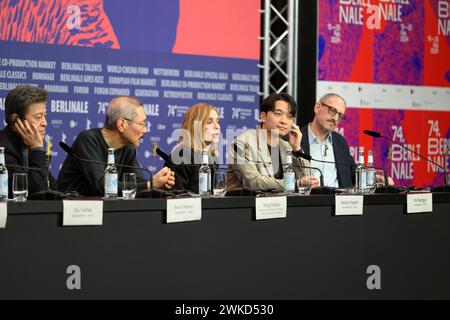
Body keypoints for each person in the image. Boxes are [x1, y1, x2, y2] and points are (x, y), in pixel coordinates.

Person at [57, 96, 175, 196]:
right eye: (142, 124)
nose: (145, 130)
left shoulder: (127, 147)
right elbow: (103, 186)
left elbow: (137, 183)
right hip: (73, 212)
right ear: (122, 124)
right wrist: (150, 184)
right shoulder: (88, 140)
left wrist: (159, 184)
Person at [227, 92, 319, 192]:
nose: (284, 121)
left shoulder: (287, 147)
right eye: (278, 114)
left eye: (289, 117)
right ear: (263, 116)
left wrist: (297, 149)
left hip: (282, 205)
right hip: (248, 205)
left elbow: (308, 181)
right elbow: (253, 182)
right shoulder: (242, 143)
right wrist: (293, 184)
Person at [300, 93, 393, 188]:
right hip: (309, 201)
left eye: (340, 115)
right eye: (332, 110)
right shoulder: (295, 140)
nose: (335, 118)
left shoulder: (340, 141)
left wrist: (374, 178)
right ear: (317, 107)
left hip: (339, 200)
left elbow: (351, 174)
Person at [0, 85, 57, 197]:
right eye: (38, 116)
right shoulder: (2, 148)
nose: (44, 123)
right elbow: (35, 192)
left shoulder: (28, 143)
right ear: (16, 119)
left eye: (44, 116)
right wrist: (37, 149)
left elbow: (52, 188)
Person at [165, 103, 220, 193]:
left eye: (217, 121)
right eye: (209, 122)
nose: (217, 126)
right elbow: (176, 198)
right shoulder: (181, 155)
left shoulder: (212, 157)